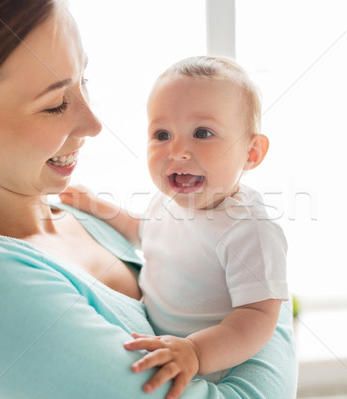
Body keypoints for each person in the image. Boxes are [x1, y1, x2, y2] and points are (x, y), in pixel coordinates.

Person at [0, 1, 297, 398]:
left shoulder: (76, 214)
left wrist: (255, 271)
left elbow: (157, 238)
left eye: (84, 82)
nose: (94, 123)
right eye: (56, 103)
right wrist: (266, 294)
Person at [61, 56, 289, 398]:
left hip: (213, 366)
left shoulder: (249, 229)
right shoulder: (168, 201)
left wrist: (197, 352)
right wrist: (97, 205)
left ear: (251, 152)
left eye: (202, 133)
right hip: (165, 346)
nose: (178, 151)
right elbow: (143, 231)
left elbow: (258, 316)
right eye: (162, 134)